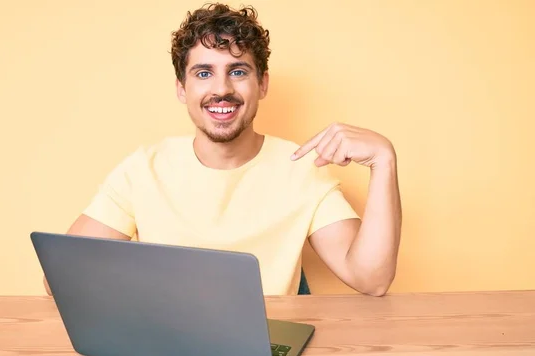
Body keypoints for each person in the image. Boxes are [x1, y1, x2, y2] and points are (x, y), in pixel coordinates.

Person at [43, 3, 401, 297]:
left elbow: (372, 280)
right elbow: (57, 280)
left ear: (262, 84)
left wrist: (384, 161)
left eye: (238, 71)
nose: (222, 89)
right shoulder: (143, 170)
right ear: (182, 89)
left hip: (267, 343)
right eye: (202, 73)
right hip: (172, 347)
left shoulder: (302, 168)